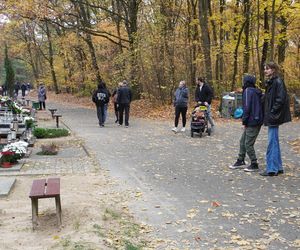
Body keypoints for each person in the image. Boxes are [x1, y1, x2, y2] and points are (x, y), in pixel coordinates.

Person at [260, 62, 291, 176]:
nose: (265, 71)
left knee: (272, 142)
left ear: (273, 70)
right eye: (265, 69)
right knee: (274, 142)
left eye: (267, 69)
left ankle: (271, 169)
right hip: (272, 116)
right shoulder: (272, 82)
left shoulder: (277, 82)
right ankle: (278, 167)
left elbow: (280, 99)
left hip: (274, 116)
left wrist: (272, 112)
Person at [229, 75, 264, 172]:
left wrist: (244, 121)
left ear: (246, 82)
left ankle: (254, 163)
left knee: (248, 144)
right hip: (255, 120)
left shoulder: (248, 91)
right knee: (242, 141)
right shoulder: (255, 91)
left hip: (252, 121)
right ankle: (240, 160)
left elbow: (247, 107)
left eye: (243, 80)